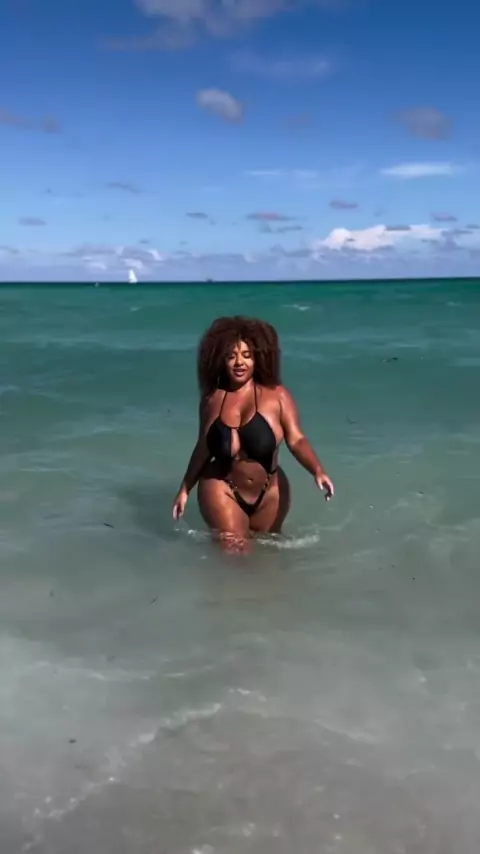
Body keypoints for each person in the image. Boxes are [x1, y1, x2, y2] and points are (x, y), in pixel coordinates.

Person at [172, 316, 334, 553]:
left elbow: (297, 439)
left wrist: (317, 470)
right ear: (221, 360)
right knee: (236, 554)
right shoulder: (212, 400)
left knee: (267, 557)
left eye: (247, 355)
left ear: (258, 358)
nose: (239, 362)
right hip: (222, 487)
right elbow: (203, 448)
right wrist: (185, 489)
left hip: (270, 493)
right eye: (231, 356)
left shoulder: (277, 396)